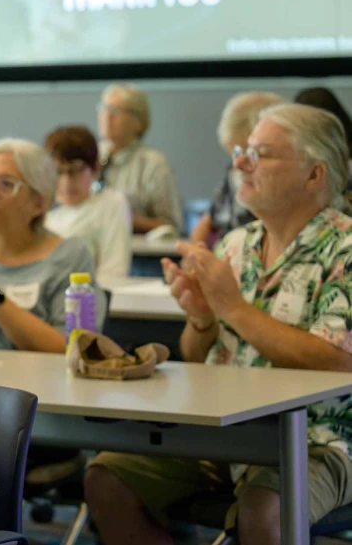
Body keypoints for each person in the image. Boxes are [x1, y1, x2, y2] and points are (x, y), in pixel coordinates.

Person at [85, 103, 352, 545]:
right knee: (108, 477)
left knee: (265, 509)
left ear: (314, 175)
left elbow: (338, 363)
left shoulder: (344, 249)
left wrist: (232, 309)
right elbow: (199, 356)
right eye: (243, 151)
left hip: (320, 441)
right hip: (228, 437)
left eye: (262, 154)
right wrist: (203, 319)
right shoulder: (237, 244)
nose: (241, 162)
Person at [0, 138, 102, 352]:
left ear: (38, 203)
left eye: (6, 184)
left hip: (33, 383)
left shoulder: (70, 257)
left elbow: (75, 349)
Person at [190, 92, 284, 247]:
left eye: (250, 155)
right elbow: (206, 222)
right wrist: (195, 256)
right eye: (235, 154)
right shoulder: (232, 174)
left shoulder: (278, 188)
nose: (238, 164)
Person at [44, 125, 132, 286]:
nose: (66, 182)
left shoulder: (110, 203)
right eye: (58, 172)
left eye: (75, 170)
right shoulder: (44, 211)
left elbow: (114, 272)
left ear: (95, 168)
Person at [97, 83, 183, 234]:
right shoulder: (91, 155)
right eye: (104, 108)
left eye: (115, 111)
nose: (107, 116)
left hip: (138, 251)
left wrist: (123, 218)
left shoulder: (154, 163)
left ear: (138, 122)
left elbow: (170, 225)